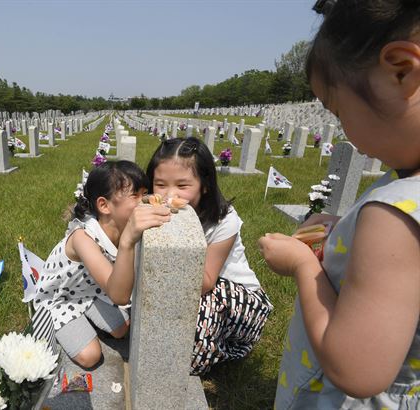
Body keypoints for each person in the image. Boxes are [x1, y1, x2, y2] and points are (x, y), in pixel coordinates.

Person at [258, 1, 420, 407]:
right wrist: (346, 232)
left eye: (338, 110)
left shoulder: (394, 216)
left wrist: (302, 264)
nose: (342, 128)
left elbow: (355, 369)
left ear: (401, 70)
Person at [146, 137, 273, 375]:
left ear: (204, 185)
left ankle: (203, 356)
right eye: (160, 184)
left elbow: (204, 282)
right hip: (186, 288)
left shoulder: (224, 221)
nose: (169, 194)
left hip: (231, 300)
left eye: (182, 186)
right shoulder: (154, 211)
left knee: (210, 299)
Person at [33, 161, 170, 369]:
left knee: (121, 329)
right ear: (104, 206)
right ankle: (62, 322)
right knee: (91, 356)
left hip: (90, 291)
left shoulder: (122, 225)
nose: (145, 201)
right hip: (61, 298)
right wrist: (127, 242)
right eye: (135, 196)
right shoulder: (82, 237)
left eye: (145, 193)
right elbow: (119, 296)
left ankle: (88, 314)